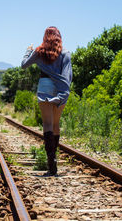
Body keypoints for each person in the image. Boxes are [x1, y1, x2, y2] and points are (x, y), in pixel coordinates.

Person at [21, 26, 72, 176]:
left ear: (45, 37)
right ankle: (54, 159)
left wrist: (28, 51)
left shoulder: (39, 51)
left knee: (47, 124)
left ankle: (52, 164)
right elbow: (68, 76)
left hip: (44, 87)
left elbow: (24, 65)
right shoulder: (65, 53)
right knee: (56, 124)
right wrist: (63, 91)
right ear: (59, 37)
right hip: (60, 89)